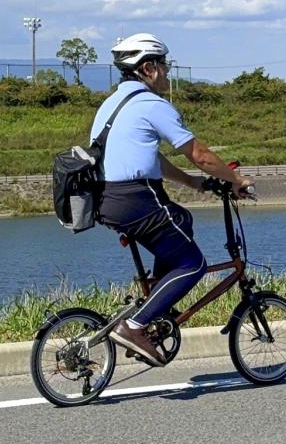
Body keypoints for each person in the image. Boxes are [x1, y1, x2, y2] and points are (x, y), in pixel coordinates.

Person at [92, 33, 252, 366]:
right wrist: (235, 180)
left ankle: (155, 308)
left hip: (110, 198)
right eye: (164, 65)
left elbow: (155, 159)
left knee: (183, 220)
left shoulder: (113, 102)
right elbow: (200, 154)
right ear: (148, 68)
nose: (167, 72)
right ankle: (135, 325)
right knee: (194, 264)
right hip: (137, 197)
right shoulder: (151, 104)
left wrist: (194, 184)